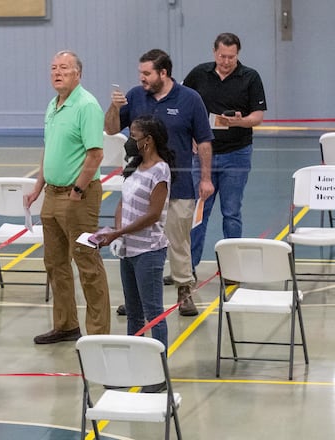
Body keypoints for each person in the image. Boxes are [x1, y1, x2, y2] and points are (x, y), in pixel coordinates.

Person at [105, 49, 214, 317]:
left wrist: (206, 178)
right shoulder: (134, 96)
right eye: (140, 73)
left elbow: (203, 141)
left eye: (147, 73)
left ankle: (184, 291)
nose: (141, 78)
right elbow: (110, 129)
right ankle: (135, 299)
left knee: (179, 241)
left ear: (163, 73)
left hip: (178, 186)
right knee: (135, 241)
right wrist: (115, 107)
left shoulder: (190, 99)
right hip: (139, 187)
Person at [25, 50, 111, 344]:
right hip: (52, 194)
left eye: (64, 68)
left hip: (79, 196)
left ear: (78, 73)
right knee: (55, 263)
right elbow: (49, 149)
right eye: (53, 68)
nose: (57, 73)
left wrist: (78, 189)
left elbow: (96, 154)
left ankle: (98, 334)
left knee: (86, 263)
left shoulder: (87, 106)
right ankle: (65, 325)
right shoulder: (53, 104)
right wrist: (38, 185)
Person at [183, 33, 267, 281]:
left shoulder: (250, 77)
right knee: (199, 211)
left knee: (231, 212)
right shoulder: (199, 74)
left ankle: (232, 269)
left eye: (231, 57)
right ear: (214, 52)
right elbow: (184, 104)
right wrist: (191, 138)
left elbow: (258, 116)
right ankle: (188, 268)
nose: (226, 61)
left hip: (236, 154)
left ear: (238, 54)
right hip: (203, 155)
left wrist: (240, 121)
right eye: (222, 56)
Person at [92, 115, 174, 353]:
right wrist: (117, 233)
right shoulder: (134, 165)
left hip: (148, 251)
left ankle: (159, 370)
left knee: (154, 313)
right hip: (127, 250)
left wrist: (118, 233)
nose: (129, 140)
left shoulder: (160, 171)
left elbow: (153, 214)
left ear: (147, 141)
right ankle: (135, 362)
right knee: (133, 314)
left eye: (133, 136)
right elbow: (123, 202)